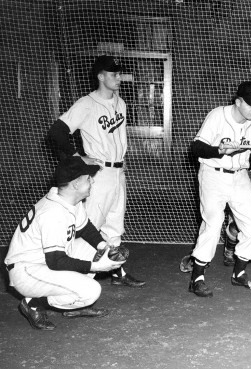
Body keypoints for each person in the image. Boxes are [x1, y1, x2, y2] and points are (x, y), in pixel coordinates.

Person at [47, 55, 145, 288]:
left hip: (118, 172)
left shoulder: (121, 102)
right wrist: (76, 158)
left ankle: (117, 272)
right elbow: (57, 131)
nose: (118, 77)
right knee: (90, 226)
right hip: (98, 175)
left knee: (114, 225)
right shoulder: (86, 104)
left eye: (119, 73)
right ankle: (75, 283)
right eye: (113, 74)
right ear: (100, 76)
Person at [4, 157, 128, 330]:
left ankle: (76, 304)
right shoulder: (53, 213)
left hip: (46, 260)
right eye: (88, 178)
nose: (92, 181)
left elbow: (85, 228)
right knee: (92, 291)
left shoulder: (68, 199)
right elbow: (56, 261)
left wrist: (105, 248)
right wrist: (98, 266)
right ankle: (32, 302)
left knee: (97, 246)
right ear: (76, 184)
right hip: (27, 271)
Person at [187, 81, 251, 297]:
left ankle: (239, 274)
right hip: (213, 174)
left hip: (239, 176)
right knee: (213, 222)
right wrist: (219, 150)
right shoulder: (217, 115)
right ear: (238, 102)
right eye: (250, 104)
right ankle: (197, 278)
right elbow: (196, 147)